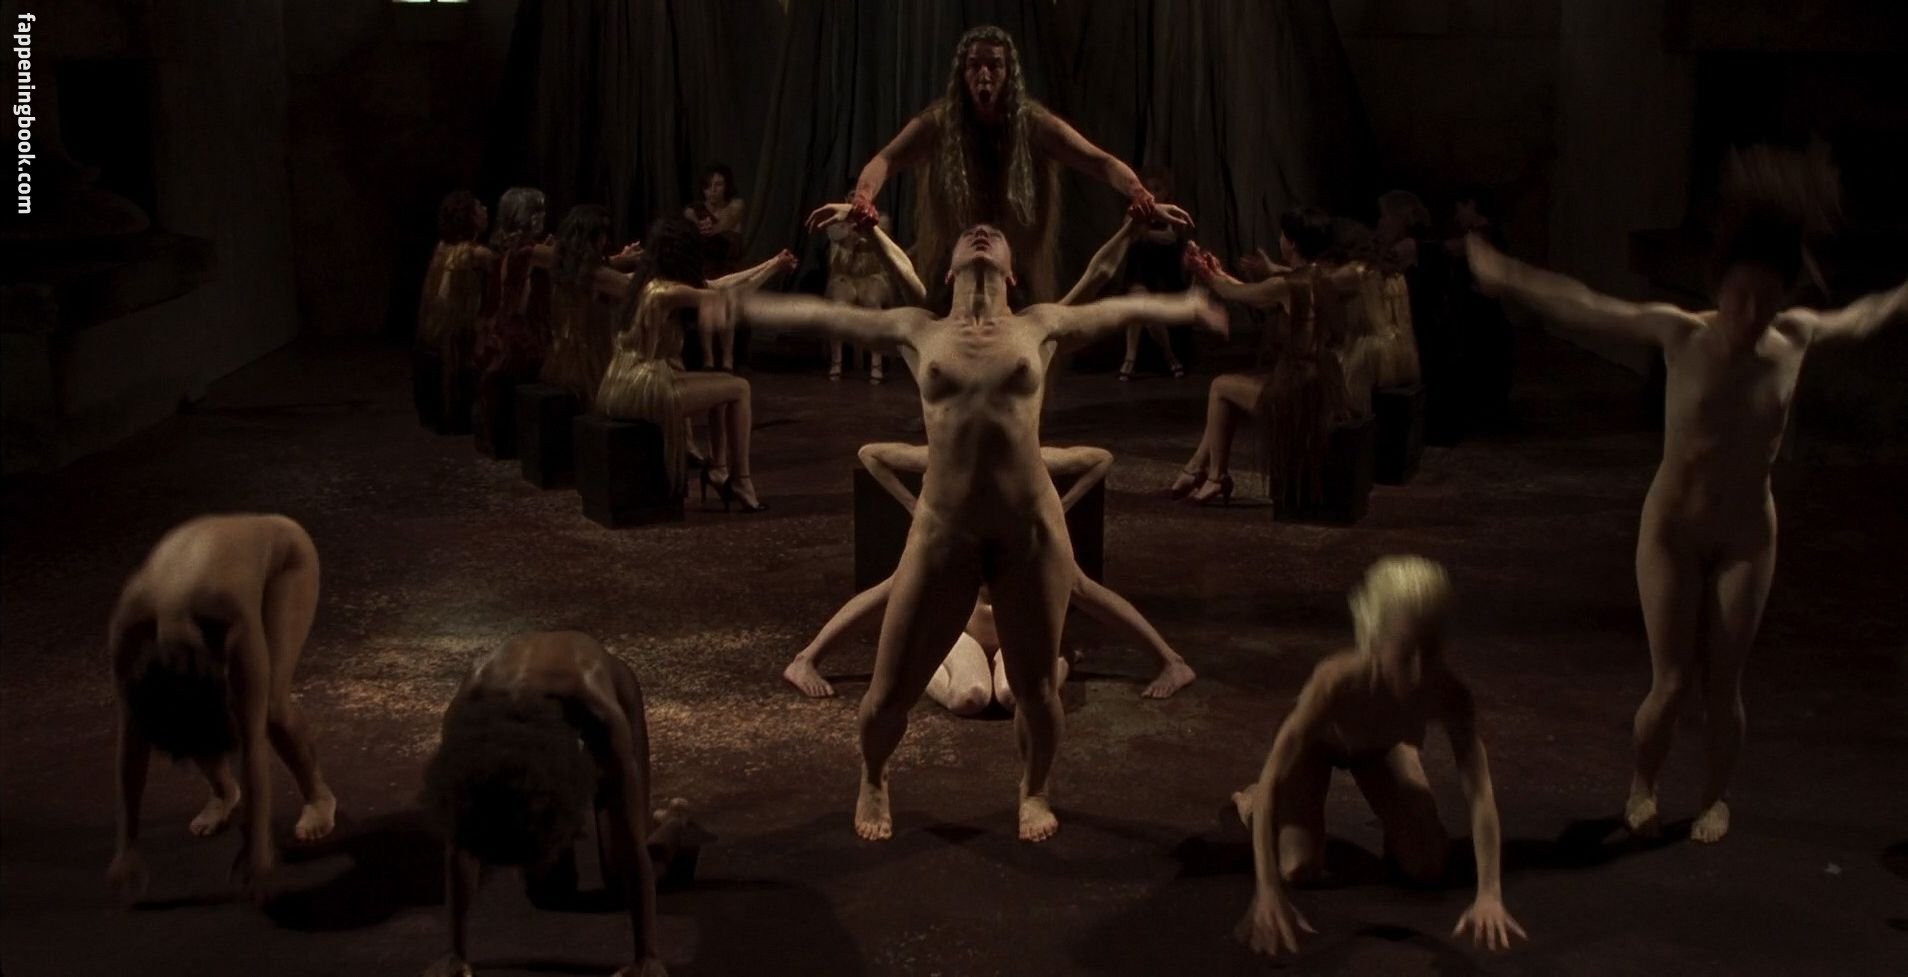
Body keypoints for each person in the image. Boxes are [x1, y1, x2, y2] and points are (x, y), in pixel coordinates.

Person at [710, 218, 1226, 844]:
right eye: (969, 234)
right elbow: (828, 318)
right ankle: (873, 775)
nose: (982, 234)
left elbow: (1118, 308)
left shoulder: (1038, 324)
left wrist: (1187, 304)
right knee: (887, 694)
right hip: (943, 532)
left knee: (1037, 691)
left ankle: (1033, 789)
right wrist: (747, 305)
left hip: (1029, 531)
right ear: (948, 267)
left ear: (1012, 272)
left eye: (994, 235)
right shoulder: (919, 329)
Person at [1467, 145, 1906, 844]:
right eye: (1740, 296)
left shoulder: (1795, 338)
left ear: (1783, 297)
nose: (1751, 312)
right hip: (1672, 527)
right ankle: (1642, 785)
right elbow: (1588, 306)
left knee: (1724, 686)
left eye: (1766, 299)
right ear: (1718, 287)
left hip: (1746, 536)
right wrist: (1508, 275)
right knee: (1669, 683)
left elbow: (1866, 315)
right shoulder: (1681, 333)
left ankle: (1715, 796)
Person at [1234, 556, 1525, 958]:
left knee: (1427, 865)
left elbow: (1479, 793)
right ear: (1373, 638)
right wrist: (1266, 891)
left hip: (1382, 748)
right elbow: (1274, 774)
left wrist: (1489, 894)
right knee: (1297, 868)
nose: (1419, 670)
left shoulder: (1448, 692)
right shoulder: (1337, 680)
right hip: (1317, 748)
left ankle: (1402, 820)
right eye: (1405, 653)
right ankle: (1250, 805)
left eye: (1431, 651)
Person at [782, 443, 1196, 701]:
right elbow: (870, 454)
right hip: (961, 628)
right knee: (971, 696)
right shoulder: (948, 461)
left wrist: (1062, 505)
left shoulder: (1027, 465)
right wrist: (912, 504)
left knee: (1016, 694)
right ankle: (813, 658)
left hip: (1017, 618)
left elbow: (1100, 460)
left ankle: (1156, 659)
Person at [423, 631, 689, 977]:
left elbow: (632, 844)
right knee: (546, 890)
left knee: (619, 874)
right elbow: (460, 841)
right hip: (534, 717)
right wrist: (454, 953)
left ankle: (676, 823)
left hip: (600, 686)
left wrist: (647, 957)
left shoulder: (599, 710)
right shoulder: (470, 705)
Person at [104, 515, 337, 905]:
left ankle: (318, 794)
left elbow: (253, 739)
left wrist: (259, 845)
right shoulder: (130, 624)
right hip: (203, 565)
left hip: (285, 557)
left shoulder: (231, 613)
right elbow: (132, 738)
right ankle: (224, 791)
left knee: (271, 708)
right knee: (181, 718)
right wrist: (125, 846)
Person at [843, 25, 1159, 302]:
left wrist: (1138, 192)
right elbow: (885, 159)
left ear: (1009, 73)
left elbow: (1098, 161)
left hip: (1016, 264)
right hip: (954, 260)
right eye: (974, 65)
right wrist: (863, 197)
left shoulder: (1034, 124)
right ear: (962, 73)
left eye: (994, 65)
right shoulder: (938, 123)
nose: (984, 75)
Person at [596, 216, 796, 512]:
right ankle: (741, 480)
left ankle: (719, 469)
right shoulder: (669, 293)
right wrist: (773, 276)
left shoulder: (643, 283)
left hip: (618, 382)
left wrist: (772, 264)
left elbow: (718, 284)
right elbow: (726, 297)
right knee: (739, 388)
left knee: (721, 386)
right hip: (644, 385)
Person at [1172, 209, 1357, 508]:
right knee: (1228, 392)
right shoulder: (1319, 278)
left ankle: (1216, 476)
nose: (1280, 240)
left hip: (1296, 391)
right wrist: (1216, 271)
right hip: (1318, 382)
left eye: (1283, 235)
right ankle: (1198, 469)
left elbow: (1236, 294)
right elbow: (1251, 291)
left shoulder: (1284, 285)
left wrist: (1203, 271)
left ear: (1292, 243)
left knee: (1220, 387)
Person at [472, 187, 554, 454]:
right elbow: (576, 265)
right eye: (539, 211)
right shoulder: (529, 251)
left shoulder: (501, 248)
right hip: (520, 336)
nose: (543, 217)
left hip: (497, 328)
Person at [541, 205, 639, 410]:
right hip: (590, 354)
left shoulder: (565, 269)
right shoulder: (595, 275)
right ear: (595, 238)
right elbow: (634, 291)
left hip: (564, 352)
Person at [418, 190, 494, 423]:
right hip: (465, 330)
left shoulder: (442, 249)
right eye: (479, 207)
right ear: (468, 217)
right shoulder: (478, 254)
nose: (485, 210)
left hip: (440, 330)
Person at [1115, 167, 1191, 381]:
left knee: (1142, 307)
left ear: (1167, 192)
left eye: (1158, 189)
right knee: (1139, 302)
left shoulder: (1173, 213)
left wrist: (1144, 233)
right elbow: (1127, 234)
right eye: (1149, 189)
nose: (1153, 194)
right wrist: (1139, 231)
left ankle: (1154, 356)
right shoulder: (1135, 212)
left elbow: (1169, 238)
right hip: (1139, 275)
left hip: (1163, 276)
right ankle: (1152, 357)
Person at [823, 189, 894, 384]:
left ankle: (876, 364)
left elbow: (878, 240)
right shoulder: (837, 220)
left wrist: (861, 226)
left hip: (873, 277)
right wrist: (850, 225)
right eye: (852, 196)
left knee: (872, 301)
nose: (856, 200)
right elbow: (836, 235)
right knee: (839, 303)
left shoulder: (881, 220)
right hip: (845, 277)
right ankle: (836, 362)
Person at [684, 163, 748, 370]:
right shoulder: (694, 211)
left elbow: (726, 222)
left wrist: (712, 228)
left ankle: (728, 358)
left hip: (729, 269)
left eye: (718, 185)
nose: (712, 190)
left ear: (727, 186)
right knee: (708, 307)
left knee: (725, 308)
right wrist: (698, 224)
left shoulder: (735, 205)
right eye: (708, 186)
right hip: (705, 270)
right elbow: (691, 226)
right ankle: (708, 359)